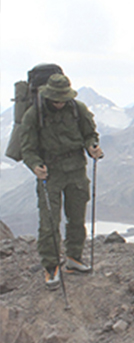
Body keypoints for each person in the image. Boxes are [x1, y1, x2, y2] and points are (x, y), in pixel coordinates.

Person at [20, 73, 104, 290]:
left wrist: (92, 146)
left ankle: (74, 258)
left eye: (63, 98)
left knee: (76, 218)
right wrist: (35, 165)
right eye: (56, 98)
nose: (59, 102)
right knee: (49, 223)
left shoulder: (78, 109)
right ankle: (51, 267)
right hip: (50, 172)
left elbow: (90, 134)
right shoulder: (34, 114)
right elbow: (27, 148)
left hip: (76, 169)